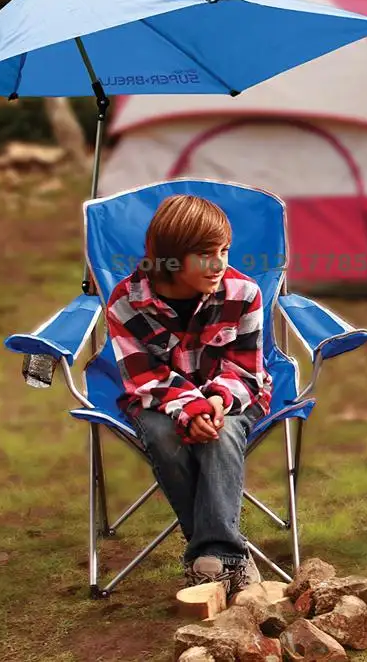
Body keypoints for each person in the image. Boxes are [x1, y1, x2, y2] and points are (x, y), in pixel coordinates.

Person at [103, 194, 272, 597]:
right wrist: (190, 408)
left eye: (224, 251)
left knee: (221, 434)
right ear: (170, 258)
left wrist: (213, 402)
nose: (218, 265)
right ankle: (229, 556)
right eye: (204, 255)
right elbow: (147, 377)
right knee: (166, 436)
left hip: (233, 396)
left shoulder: (243, 292)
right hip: (157, 399)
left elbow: (244, 369)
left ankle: (211, 559)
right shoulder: (127, 302)